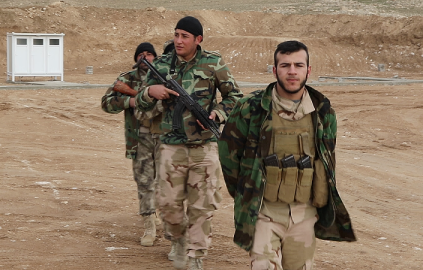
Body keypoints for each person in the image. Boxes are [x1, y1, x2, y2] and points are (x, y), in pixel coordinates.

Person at [218, 40, 356, 270]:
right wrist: (247, 193)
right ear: (275, 70)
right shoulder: (250, 108)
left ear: (308, 70)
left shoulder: (323, 111)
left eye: (298, 65)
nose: (292, 71)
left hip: (305, 214)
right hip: (264, 212)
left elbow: (327, 159)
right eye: (285, 65)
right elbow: (228, 156)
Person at [135, 16, 243, 270]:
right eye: (176, 35)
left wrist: (217, 114)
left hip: (204, 148)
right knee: (168, 206)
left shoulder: (213, 63)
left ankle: (196, 257)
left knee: (202, 208)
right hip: (171, 148)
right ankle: (179, 240)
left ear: (198, 40)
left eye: (185, 36)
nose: (179, 40)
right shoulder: (161, 64)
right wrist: (151, 92)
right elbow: (140, 99)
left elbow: (235, 96)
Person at [101, 42, 161, 247]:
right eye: (141, 55)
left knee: (167, 182)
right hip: (140, 137)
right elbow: (106, 102)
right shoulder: (127, 78)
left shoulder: (163, 75)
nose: (145, 58)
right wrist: (131, 102)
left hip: (165, 137)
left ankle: (162, 216)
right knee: (144, 182)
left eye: (149, 54)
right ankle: (149, 226)